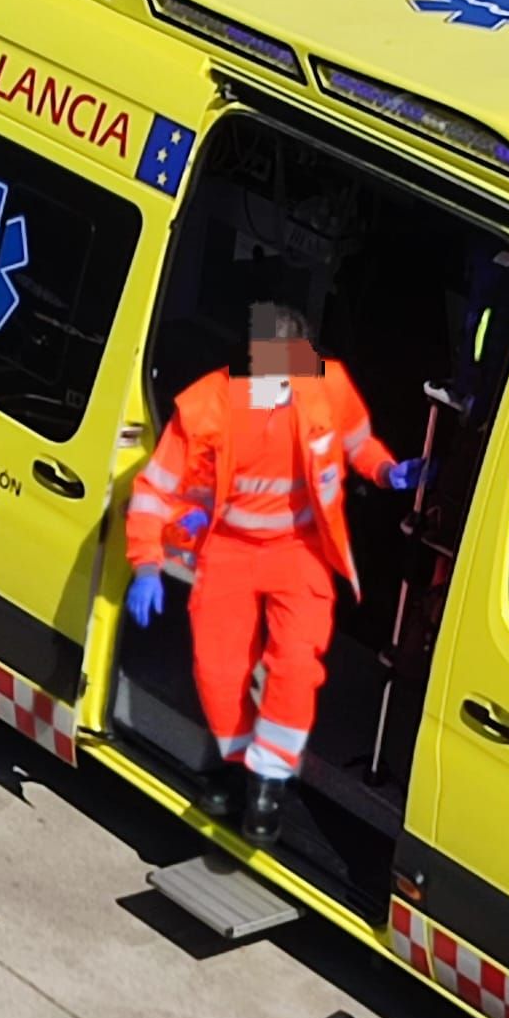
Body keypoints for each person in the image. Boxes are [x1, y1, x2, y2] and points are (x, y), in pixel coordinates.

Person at [124, 303, 427, 847]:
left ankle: (267, 783)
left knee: (295, 663)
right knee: (219, 671)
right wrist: (147, 563)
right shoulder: (206, 409)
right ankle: (238, 764)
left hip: (298, 549)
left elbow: (357, 442)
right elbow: (155, 491)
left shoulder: (327, 386)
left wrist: (387, 470)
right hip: (230, 550)